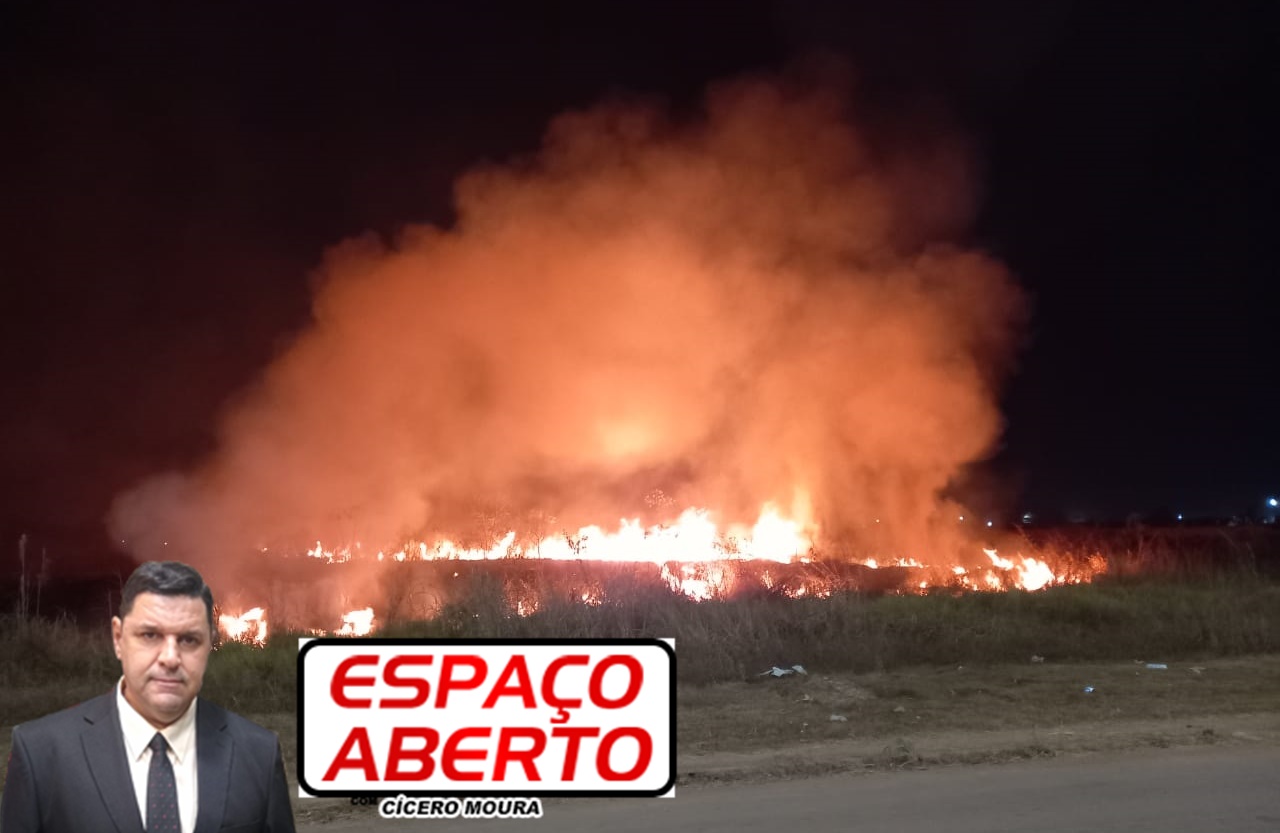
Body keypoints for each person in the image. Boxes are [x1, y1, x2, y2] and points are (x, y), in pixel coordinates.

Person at [1, 561, 296, 833]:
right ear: (118, 639)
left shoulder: (258, 752)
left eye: (189, 639)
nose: (170, 658)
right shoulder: (41, 753)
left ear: (210, 644)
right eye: (150, 636)